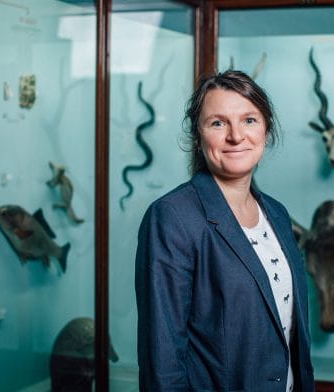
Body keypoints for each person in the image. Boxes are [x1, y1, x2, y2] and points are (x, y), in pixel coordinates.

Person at [135, 70, 315, 391]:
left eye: (249, 120)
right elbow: (162, 354)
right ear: (198, 135)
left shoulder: (277, 213)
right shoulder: (172, 217)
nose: (236, 136)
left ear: (266, 129)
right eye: (218, 123)